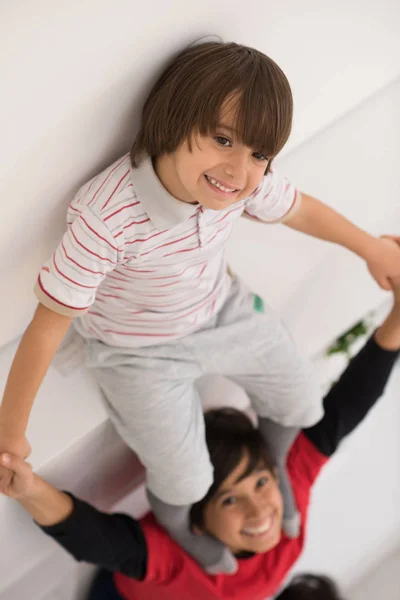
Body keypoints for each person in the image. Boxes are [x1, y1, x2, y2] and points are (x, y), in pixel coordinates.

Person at [1, 39, 400, 573]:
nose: (238, 170)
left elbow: (300, 210)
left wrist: (371, 248)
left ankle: (274, 460)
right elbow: (47, 326)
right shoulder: (108, 216)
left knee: (305, 404)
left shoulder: (238, 186)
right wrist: (10, 430)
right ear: (174, 117)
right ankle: (177, 521)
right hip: (136, 351)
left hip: (219, 310)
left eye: (259, 154)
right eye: (222, 139)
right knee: (187, 479)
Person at [1, 275, 399, 600]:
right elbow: (98, 541)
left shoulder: (280, 514)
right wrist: (28, 488)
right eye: (229, 498)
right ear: (198, 525)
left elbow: (349, 405)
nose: (259, 510)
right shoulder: (193, 553)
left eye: (261, 482)